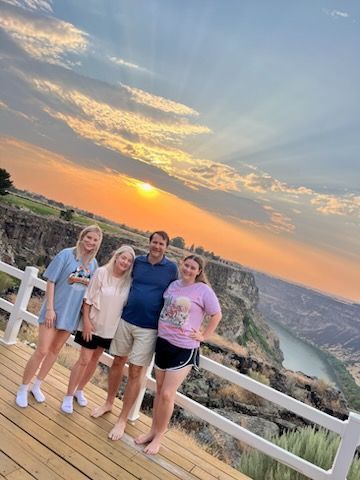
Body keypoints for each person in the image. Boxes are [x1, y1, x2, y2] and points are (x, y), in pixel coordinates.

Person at [92, 231, 178, 443]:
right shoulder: (137, 262)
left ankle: (122, 419)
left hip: (149, 328)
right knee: (117, 362)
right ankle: (109, 402)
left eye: (161, 244)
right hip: (126, 320)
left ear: (166, 247)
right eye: (154, 242)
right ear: (149, 244)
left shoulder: (171, 268)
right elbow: (118, 274)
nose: (157, 246)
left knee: (136, 371)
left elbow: (177, 294)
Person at [135, 255, 222, 455]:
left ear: (199, 271)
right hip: (164, 342)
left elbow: (216, 314)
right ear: (182, 265)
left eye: (193, 268)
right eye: (187, 265)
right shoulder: (173, 285)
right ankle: (152, 431)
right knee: (158, 391)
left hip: (184, 347)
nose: (189, 270)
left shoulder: (203, 290)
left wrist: (203, 336)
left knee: (167, 394)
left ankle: (159, 437)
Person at [15, 225, 103, 408]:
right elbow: (51, 281)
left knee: (54, 351)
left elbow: (90, 292)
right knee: (42, 350)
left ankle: (37, 385)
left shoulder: (93, 264)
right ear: (82, 236)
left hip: (71, 316)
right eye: (89, 237)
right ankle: (23, 387)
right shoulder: (66, 254)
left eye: (95, 240)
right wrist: (50, 309)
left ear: (98, 243)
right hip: (53, 311)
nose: (91, 242)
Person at [61, 245, 135, 414]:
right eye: (123, 258)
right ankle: (68, 395)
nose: (125, 262)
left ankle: (80, 390)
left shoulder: (128, 282)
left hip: (109, 328)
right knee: (84, 360)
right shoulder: (102, 272)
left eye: (129, 261)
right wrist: (86, 322)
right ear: (116, 257)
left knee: (95, 359)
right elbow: (88, 298)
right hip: (92, 324)